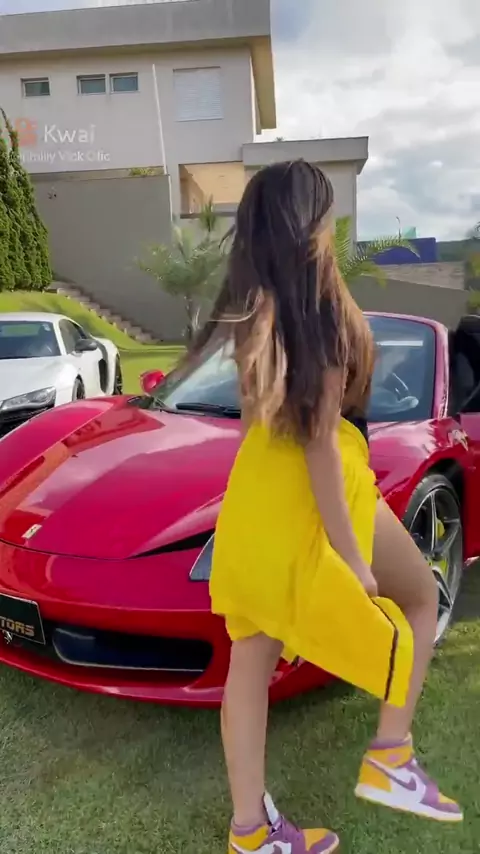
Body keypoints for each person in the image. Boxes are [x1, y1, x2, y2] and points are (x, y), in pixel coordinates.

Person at [189, 161, 462, 854]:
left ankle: (251, 833)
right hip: (323, 487)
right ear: (309, 224)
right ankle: (391, 755)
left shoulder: (254, 317)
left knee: (248, 663)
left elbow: (260, 427)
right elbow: (319, 446)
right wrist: (350, 560)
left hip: (256, 497)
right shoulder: (323, 312)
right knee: (419, 598)